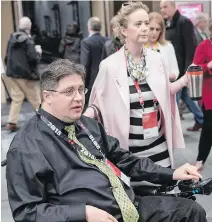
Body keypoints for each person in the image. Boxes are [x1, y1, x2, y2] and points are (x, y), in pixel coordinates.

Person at [6, 59, 206, 222]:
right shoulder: (26, 147)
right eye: (69, 91)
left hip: (128, 205)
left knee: (191, 212)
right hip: (85, 218)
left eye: (81, 90)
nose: (78, 98)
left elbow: (127, 160)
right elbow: (26, 212)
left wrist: (172, 174)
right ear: (47, 96)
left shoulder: (86, 124)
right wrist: (82, 213)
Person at [84, 1, 190, 168]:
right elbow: (97, 103)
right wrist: (79, 117)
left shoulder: (157, 60)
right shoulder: (109, 66)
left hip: (159, 148)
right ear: (124, 30)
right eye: (138, 24)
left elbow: (165, 92)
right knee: (134, 193)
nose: (145, 28)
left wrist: (184, 80)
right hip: (129, 154)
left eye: (146, 23)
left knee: (164, 192)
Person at [160, 0, 204, 131]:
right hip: (177, 70)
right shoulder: (170, 23)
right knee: (186, 97)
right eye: (161, 7)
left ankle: (169, 128)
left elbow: (190, 47)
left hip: (181, 71)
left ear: (173, 7)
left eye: (165, 7)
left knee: (173, 100)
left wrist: (187, 70)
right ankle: (202, 120)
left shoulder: (183, 22)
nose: (162, 9)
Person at [4, 16, 41, 132]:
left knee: (17, 98)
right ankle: (45, 121)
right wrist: (38, 52)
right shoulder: (28, 41)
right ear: (29, 27)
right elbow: (33, 59)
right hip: (26, 75)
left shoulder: (12, 38)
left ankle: (12, 122)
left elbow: (7, 57)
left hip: (13, 74)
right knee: (35, 98)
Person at [193, 18, 212, 171]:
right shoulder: (204, 46)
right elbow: (195, 68)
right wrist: (208, 65)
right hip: (209, 96)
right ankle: (200, 158)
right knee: (209, 128)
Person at [80, 17, 106, 108]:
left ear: (89, 28)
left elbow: (85, 63)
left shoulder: (86, 42)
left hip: (91, 80)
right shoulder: (107, 40)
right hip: (105, 78)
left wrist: (83, 82)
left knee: (90, 106)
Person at [145, 12, 179, 81]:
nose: (154, 33)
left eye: (157, 29)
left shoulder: (167, 47)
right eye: (151, 29)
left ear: (161, 31)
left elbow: (175, 70)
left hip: (165, 87)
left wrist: (172, 76)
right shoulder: (139, 47)